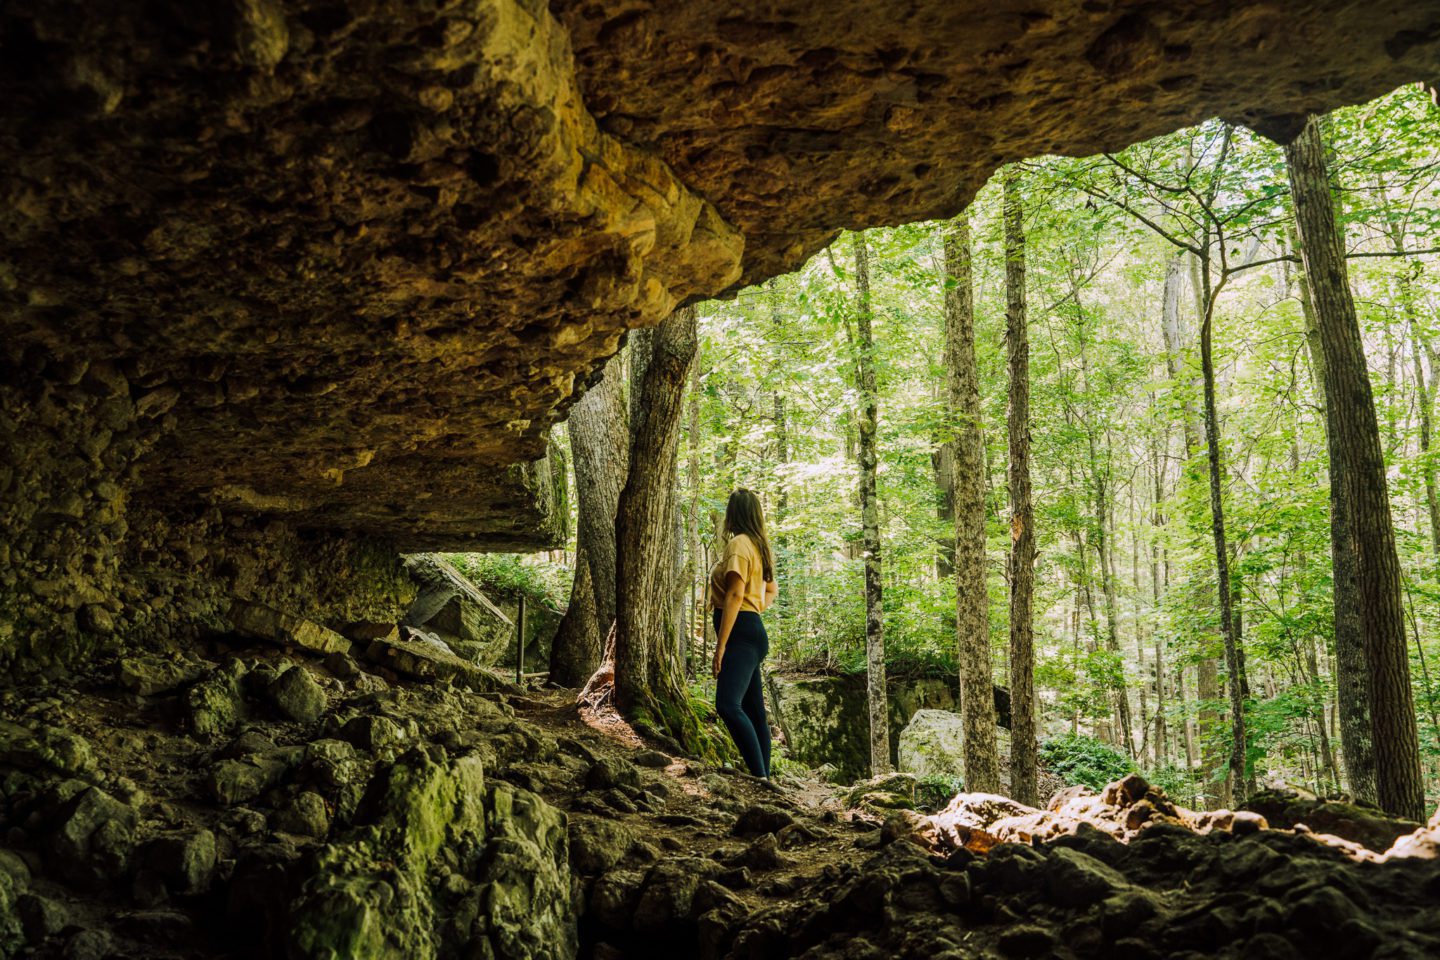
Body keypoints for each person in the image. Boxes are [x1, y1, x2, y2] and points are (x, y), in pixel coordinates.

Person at [710, 488, 779, 779]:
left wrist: (721, 646)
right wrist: (756, 608)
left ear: (733, 514)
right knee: (754, 711)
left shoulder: (739, 544)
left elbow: (736, 594)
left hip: (741, 632)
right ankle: (764, 775)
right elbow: (771, 589)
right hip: (752, 629)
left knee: (727, 704)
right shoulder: (758, 545)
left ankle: (759, 776)